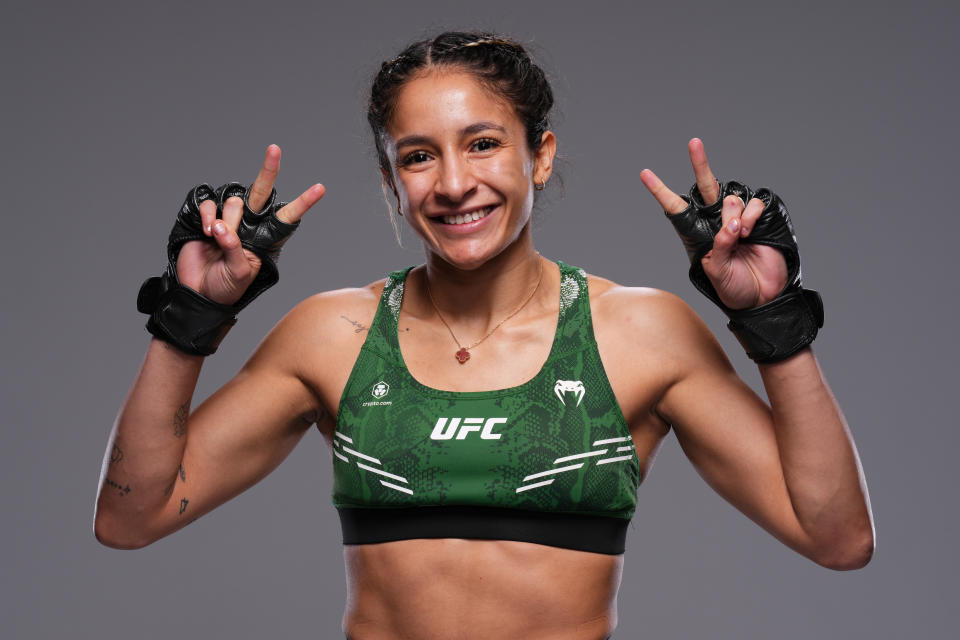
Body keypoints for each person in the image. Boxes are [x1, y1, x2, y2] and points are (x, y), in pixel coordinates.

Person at [93, 31, 874, 639]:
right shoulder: (332, 334)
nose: (455, 183)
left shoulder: (638, 332)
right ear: (392, 182)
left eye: (483, 143)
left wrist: (772, 321)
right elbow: (132, 517)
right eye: (418, 157)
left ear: (541, 154)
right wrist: (190, 317)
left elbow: (835, 536)